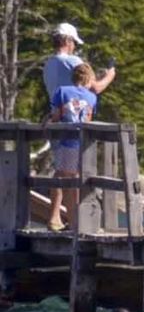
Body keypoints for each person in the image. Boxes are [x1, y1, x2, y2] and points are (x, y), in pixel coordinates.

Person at [44, 64, 98, 232]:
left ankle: (59, 218)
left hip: (66, 140)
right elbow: (88, 119)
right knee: (72, 179)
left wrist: (47, 120)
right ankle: (73, 221)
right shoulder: (92, 97)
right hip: (83, 144)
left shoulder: (62, 91)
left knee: (61, 177)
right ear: (89, 79)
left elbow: (56, 115)